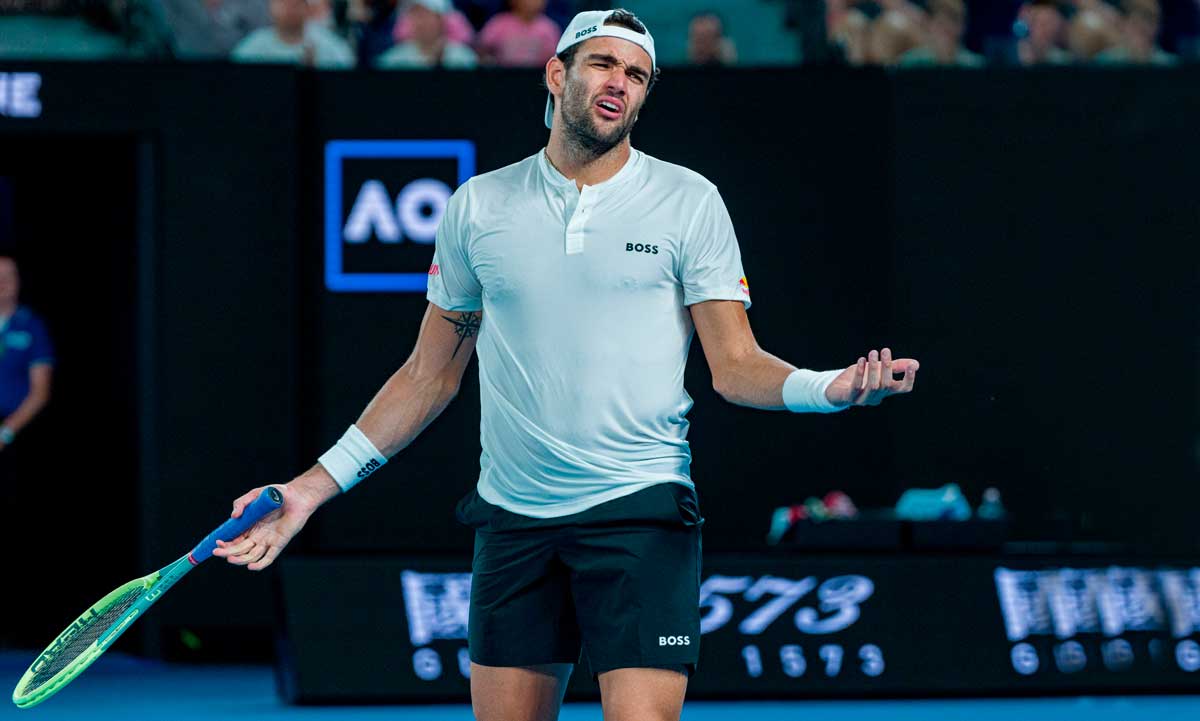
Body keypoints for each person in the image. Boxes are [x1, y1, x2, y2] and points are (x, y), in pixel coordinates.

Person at [214, 8, 920, 720]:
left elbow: (735, 365)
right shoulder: (477, 207)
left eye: (637, 74)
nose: (620, 83)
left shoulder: (689, 202)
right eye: (603, 64)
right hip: (513, 522)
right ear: (557, 74)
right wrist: (308, 490)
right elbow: (428, 376)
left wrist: (826, 388)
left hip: (641, 512)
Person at [0, 254, 53, 471]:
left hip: (16, 431)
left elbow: (41, 391)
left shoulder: (31, 325)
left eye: (8, 276)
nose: (2, 282)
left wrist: (5, 432)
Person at [231, 0, 354, 68]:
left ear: (307, 8)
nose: (289, 8)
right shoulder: (253, 46)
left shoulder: (331, 47)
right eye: (283, 2)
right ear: (270, 6)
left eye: (296, 3)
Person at [375, 0, 478, 69]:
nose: (421, 21)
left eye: (427, 14)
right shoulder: (393, 61)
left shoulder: (464, 58)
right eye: (416, 14)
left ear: (440, 19)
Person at [898, 0, 985, 67]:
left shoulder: (975, 66)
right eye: (940, 24)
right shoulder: (911, 63)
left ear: (963, 26)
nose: (947, 28)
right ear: (929, 24)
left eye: (953, 20)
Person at [476, 0, 561, 67]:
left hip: (536, 77)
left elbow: (554, 58)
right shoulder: (498, 23)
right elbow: (481, 50)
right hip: (502, 77)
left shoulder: (549, 28)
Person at [1095, 0, 1177, 64]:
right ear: (1124, 24)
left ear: (1158, 26)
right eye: (1135, 23)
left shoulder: (1170, 65)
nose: (1143, 28)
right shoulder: (1104, 63)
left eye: (1149, 20)